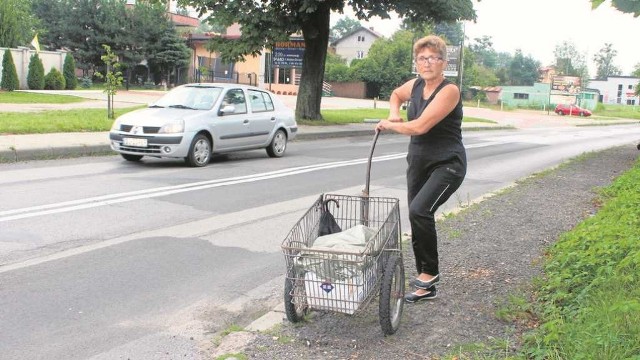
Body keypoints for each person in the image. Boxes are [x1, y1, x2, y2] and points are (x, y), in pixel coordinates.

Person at [375, 35, 467, 303]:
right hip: (418, 161)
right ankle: (426, 287)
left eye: (433, 58)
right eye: (422, 58)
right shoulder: (415, 85)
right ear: (417, 62)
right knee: (417, 218)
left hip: (447, 165)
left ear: (443, 63)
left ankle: (430, 274)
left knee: (420, 210)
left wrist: (390, 125)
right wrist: (394, 111)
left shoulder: (449, 91)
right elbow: (395, 94)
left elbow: (420, 126)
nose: (427, 63)